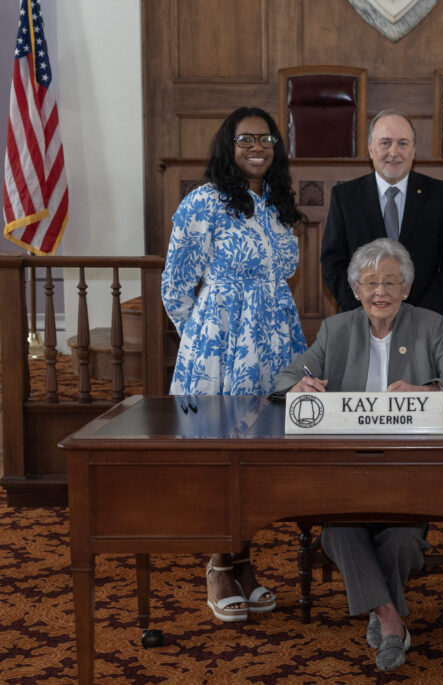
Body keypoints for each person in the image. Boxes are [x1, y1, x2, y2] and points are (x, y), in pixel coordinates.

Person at [274, 238, 443, 671]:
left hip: (409, 473)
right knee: (339, 533)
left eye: (390, 282)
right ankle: (390, 620)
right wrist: (297, 385)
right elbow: (290, 373)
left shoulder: (428, 325)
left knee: (403, 539)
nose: (380, 291)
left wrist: (427, 390)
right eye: (370, 283)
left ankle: (378, 612)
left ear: (406, 289)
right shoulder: (337, 329)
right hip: (347, 473)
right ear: (356, 290)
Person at [161, 106, 306, 624]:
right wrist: (205, 338)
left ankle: (244, 559)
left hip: (275, 344)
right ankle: (220, 563)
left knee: (260, 456)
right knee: (223, 453)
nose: (257, 147)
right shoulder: (203, 203)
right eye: (246, 139)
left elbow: (282, 276)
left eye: (266, 138)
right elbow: (175, 288)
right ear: (229, 144)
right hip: (220, 351)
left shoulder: (277, 204)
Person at [320, 109, 443, 316]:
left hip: (422, 321)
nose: (394, 152)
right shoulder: (345, 197)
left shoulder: (440, 195)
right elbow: (332, 263)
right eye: (385, 143)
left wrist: (421, 315)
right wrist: (364, 311)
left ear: (413, 150)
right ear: (371, 149)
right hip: (362, 320)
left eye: (403, 144)